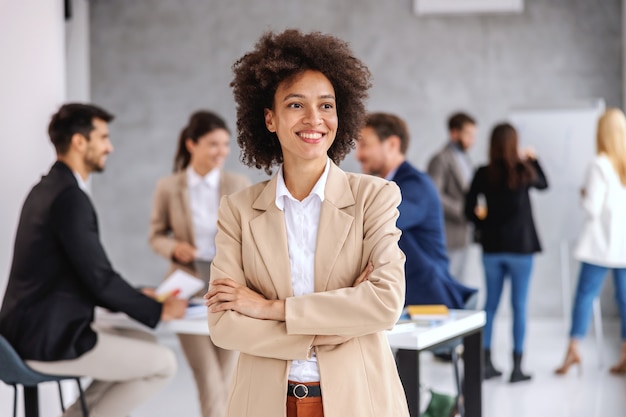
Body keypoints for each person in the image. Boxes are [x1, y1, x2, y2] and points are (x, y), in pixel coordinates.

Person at [204, 29, 409, 417]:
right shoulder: (238, 210)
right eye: (296, 105)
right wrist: (342, 321)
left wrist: (270, 309)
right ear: (269, 118)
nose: (314, 119)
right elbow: (224, 324)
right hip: (265, 403)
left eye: (326, 105)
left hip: (357, 399)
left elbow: (384, 303)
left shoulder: (375, 198)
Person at [0, 103, 188, 417]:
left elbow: (85, 273)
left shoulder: (47, 188)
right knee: (163, 364)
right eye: (103, 137)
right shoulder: (69, 197)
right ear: (79, 142)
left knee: (141, 339)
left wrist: (136, 296)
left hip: (27, 330)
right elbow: (99, 278)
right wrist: (158, 309)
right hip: (45, 339)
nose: (109, 147)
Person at [149, 110, 250, 417]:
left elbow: (251, 236)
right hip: (186, 286)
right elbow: (156, 235)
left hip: (229, 286)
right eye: (213, 144)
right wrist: (173, 246)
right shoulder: (169, 187)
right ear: (192, 144)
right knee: (208, 379)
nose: (221, 152)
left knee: (229, 377)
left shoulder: (238, 183)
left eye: (225, 144)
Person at [356, 112, 477, 309]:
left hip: (429, 303)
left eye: (364, 145)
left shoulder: (415, 186)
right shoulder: (390, 185)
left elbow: (373, 223)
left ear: (392, 144)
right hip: (408, 302)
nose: (358, 155)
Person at [464, 122, 548, 383]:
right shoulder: (524, 169)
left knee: (490, 306)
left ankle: (486, 363)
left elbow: (468, 210)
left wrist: (483, 224)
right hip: (521, 249)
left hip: (492, 249)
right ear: (515, 143)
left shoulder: (483, 172)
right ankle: (517, 366)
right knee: (519, 307)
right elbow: (545, 184)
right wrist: (534, 158)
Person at [555, 108, 626, 376]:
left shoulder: (599, 164)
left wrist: (584, 194)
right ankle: (624, 354)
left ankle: (573, 349)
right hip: (622, 245)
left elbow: (592, 208)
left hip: (600, 246)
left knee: (584, 297)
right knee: (625, 300)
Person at [427, 112, 477, 282]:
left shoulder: (465, 158)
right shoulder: (440, 159)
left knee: (460, 279)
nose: (472, 140)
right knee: (448, 281)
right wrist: (464, 210)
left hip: (464, 232)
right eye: (468, 134)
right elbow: (433, 195)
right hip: (448, 233)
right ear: (454, 133)